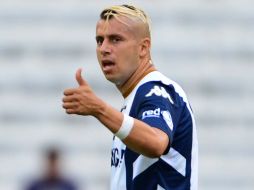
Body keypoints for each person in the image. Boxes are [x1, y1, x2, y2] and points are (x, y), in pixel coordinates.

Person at [62, 4, 198, 190]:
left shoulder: (156, 90)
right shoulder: (134, 100)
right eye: (99, 40)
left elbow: (156, 142)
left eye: (115, 39)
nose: (104, 49)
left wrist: (99, 109)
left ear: (143, 47)